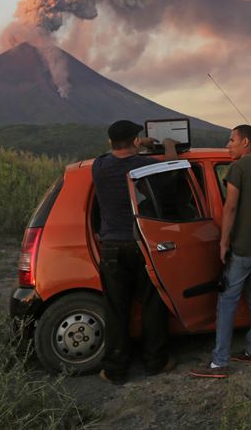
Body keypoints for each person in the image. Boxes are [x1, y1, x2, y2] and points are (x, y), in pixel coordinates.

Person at [189, 124, 251, 378]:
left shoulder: (237, 168)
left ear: (245, 142)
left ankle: (219, 363)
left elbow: (230, 208)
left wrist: (223, 243)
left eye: (231, 140)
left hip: (243, 247)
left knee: (227, 301)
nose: (228, 145)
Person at [93, 119, 176, 385]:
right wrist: (169, 146)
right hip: (140, 244)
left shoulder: (99, 166)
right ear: (135, 141)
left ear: (109, 143)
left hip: (111, 248)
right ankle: (155, 361)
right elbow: (172, 169)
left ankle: (115, 369)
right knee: (153, 302)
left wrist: (137, 144)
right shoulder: (144, 166)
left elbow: (112, 154)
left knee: (116, 309)